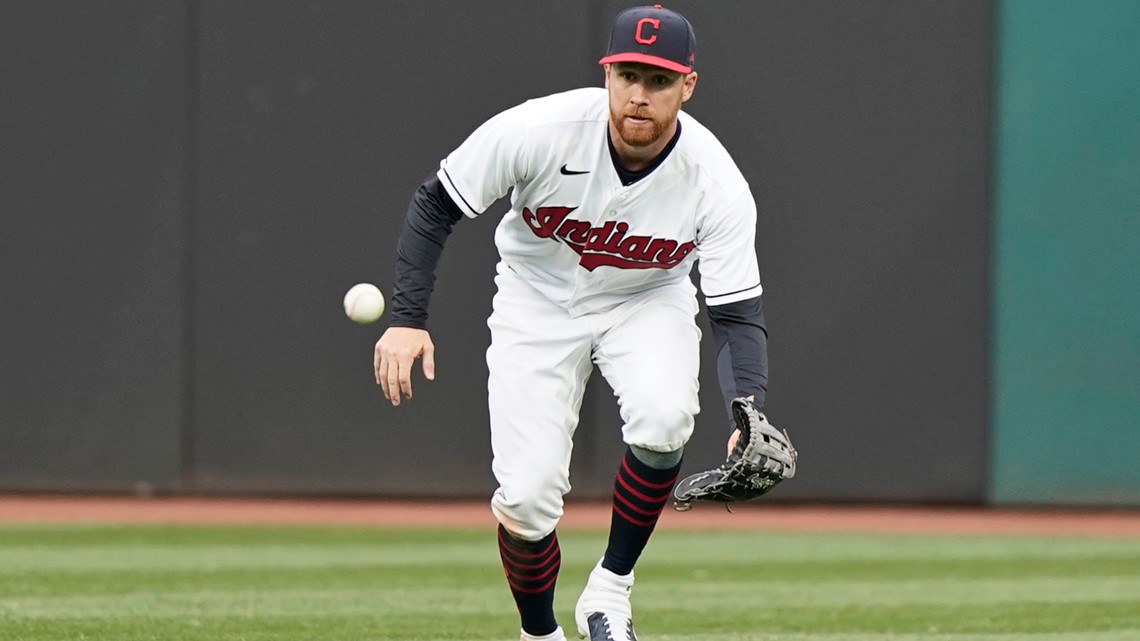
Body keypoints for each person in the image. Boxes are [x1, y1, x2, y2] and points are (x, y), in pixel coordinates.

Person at [374, 5, 776, 640]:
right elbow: (435, 202)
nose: (640, 95)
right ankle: (540, 633)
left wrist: (747, 406)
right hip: (535, 300)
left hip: (647, 299)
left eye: (659, 80)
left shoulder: (716, 181)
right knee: (527, 499)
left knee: (667, 414)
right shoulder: (543, 128)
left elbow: (735, 311)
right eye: (628, 76)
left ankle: (609, 592)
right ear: (607, 73)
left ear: (688, 86)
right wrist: (406, 319)